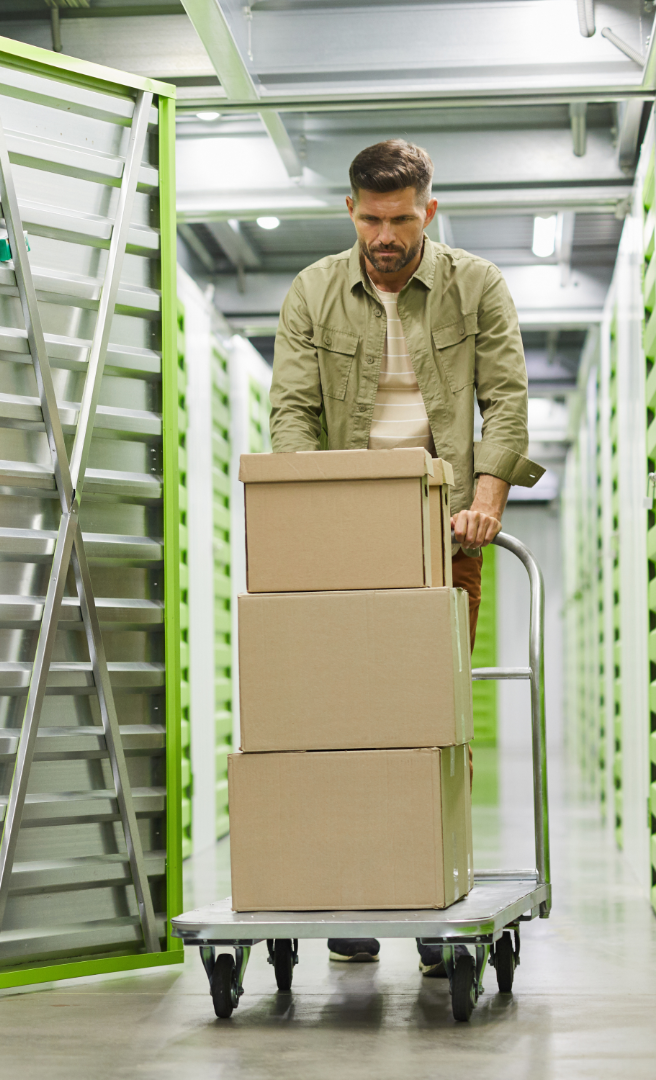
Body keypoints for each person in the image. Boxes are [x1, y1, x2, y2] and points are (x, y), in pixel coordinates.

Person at [268, 139, 543, 976]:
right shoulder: (313, 292)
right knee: (338, 717)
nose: (385, 236)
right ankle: (355, 890)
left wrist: (487, 497)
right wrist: (307, 518)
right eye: (370, 218)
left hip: (444, 520)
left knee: (435, 718)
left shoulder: (476, 285)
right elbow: (291, 412)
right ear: (349, 210)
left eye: (401, 218)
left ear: (428, 209)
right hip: (345, 520)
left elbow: (506, 397)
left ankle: (432, 888)